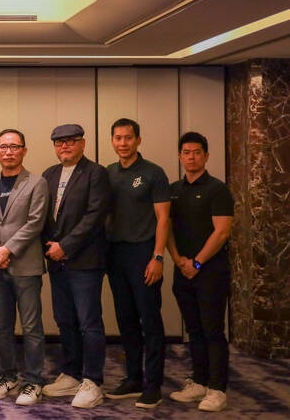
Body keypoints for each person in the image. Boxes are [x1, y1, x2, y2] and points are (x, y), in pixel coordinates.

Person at [41, 124, 110, 409]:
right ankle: (71, 373)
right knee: (65, 319)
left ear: (82, 143)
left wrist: (65, 246)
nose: (65, 146)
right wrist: (49, 247)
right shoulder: (49, 174)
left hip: (85, 261)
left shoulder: (96, 173)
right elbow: (42, 215)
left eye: (71, 141)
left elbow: (94, 216)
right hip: (56, 262)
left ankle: (93, 381)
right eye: (59, 142)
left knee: (89, 323)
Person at [104, 118, 170, 409]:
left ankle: (153, 385)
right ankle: (134, 378)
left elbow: (163, 219)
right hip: (115, 254)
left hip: (144, 253)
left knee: (150, 321)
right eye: (118, 138)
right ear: (112, 141)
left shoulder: (153, 173)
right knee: (126, 319)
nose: (123, 143)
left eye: (128, 138)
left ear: (138, 140)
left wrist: (158, 256)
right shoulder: (108, 173)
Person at [167, 131, 234, 413]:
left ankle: (217, 389)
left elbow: (221, 232)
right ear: (180, 156)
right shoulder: (173, 189)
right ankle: (199, 382)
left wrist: (196, 263)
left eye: (196, 152)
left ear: (206, 156)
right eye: (186, 152)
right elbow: (167, 228)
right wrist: (178, 260)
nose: (191, 157)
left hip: (210, 272)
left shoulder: (217, 189)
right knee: (193, 330)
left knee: (212, 330)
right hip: (182, 270)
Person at [0, 128, 49, 406]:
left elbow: (35, 223)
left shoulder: (37, 183)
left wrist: (7, 249)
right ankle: (7, 376)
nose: (8, 151)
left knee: (31, 326)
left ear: (24, 150)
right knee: (2, 327)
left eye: (14, 146)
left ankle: (33, 381)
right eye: (3, 147)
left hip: (26, 265)